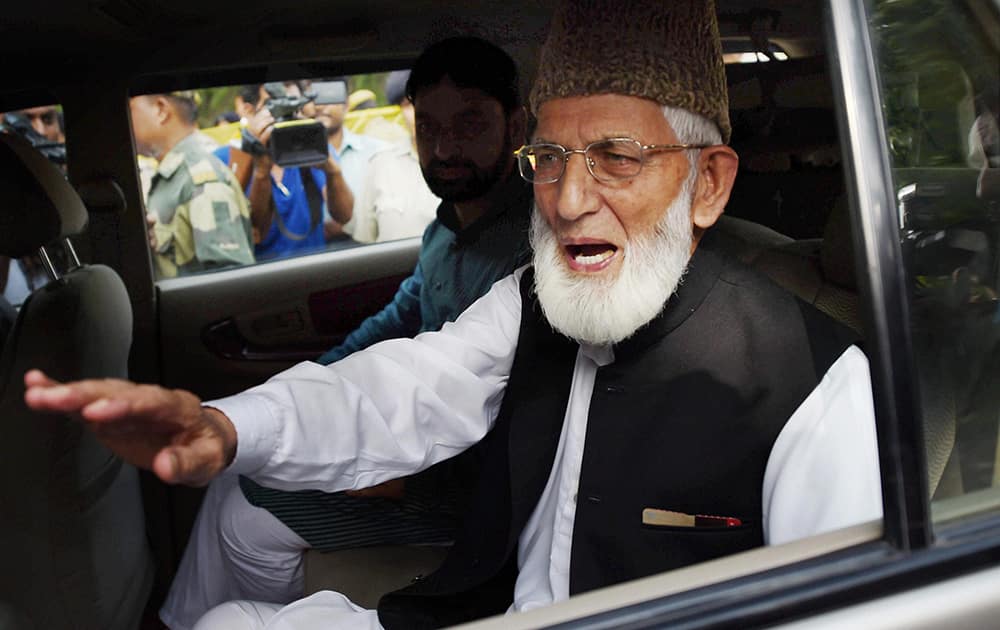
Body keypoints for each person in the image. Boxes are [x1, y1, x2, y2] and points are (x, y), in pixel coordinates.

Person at [24, 2, 882, 628]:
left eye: (616, 158)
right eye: (548, 159)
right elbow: (402, 385)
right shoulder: (534, 298)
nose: (570, 199)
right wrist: (226, 426)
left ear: (709, 184)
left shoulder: (816, 381)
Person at [157, 36, 531, 630]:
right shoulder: (446, 229)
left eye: (469, 123)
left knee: (242, 519)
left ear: (516, 124)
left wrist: (397, 477)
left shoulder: (529, 250)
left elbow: (512, 413)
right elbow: (390, 324)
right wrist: (295, 393)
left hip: (466, 490)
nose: (444, 146)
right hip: (417, 449)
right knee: (233, 477)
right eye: (428, 127)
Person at [220, 82, 354, 258]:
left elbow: (344, 215)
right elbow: (253, 232)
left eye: (294, 108)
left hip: (315, 269)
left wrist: (332, 171)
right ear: (248, 110)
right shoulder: (227, 160)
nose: (286, 117)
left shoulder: (311, 149)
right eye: (274, 106)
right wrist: (261, 170)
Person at [130, 91, 255, 278]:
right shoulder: (176, 174)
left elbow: (230, 283)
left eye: (130, 108)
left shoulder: (201, 178)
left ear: (161, 110)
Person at [342, 70, 440, 244]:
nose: (421, 113)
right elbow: (364, 239)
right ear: (400, 110)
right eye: (410, 104)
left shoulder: (468, 160)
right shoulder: (381, 164)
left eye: (431, 102)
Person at [311, 77, 391, 240]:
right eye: (314, 97)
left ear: (346, 105)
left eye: (331, 96)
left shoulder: (378, 152)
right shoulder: (287, 159)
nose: (321, 105)